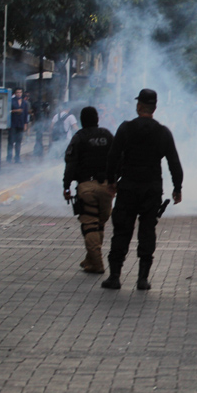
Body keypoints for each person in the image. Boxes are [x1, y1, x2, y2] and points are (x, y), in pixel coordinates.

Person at [102, 89, 183, 290]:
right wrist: (177, 188)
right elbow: (174, 162)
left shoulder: (126, 128)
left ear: (138, 106)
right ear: (154, 108)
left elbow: (112, 156)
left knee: (122, 230)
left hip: (128, 186)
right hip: (152, 188)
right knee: (147, 231)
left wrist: (112, 180)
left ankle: (114, 276)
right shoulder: (163, 132)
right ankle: (142, 278)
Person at [62, 107, 114, 274]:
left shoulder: (79, 137)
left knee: (90, 224)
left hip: (86, 186)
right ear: (97, 119)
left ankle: (97, 263)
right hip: (106, 187)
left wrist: (66, 186)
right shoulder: (107, 135)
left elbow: (71, 163)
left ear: (82, 120)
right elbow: (118, 158)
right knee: (99, 223)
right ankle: (90, 259)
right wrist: (115, 181)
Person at [7, 87, 29, 163]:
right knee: (11, 141)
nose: (19, 94)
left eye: (20, 92)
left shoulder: (24, 102)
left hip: (21, 123)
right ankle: (9, 157)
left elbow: (26, 114)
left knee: (18, 142)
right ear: (15, 93)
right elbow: (8, 111)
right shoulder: (11, 101)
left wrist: (26, 124)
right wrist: (16, 110)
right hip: (13, 123)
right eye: (17, 92)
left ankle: (17, 158)